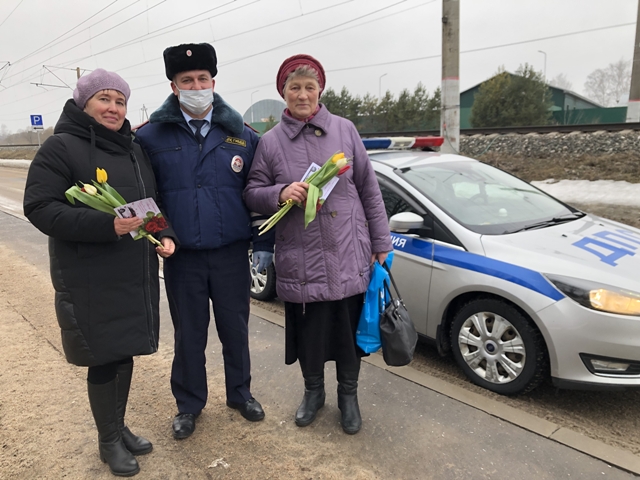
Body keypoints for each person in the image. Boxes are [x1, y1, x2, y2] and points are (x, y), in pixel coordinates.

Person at [23, 69, 176, 477]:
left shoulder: (132, 148)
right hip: (89, 274)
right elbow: (39, 207)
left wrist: (165, 236)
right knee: (104, 359)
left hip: (134, 271)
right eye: (104, 99)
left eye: (120, 101)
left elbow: (148, 203)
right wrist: (104, 226)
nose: (113, 108)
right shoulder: (60, 147)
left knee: (124, 351)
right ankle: (107, 440)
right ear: (84, 103)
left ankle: (118, 426)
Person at [243, 54, 393, 435]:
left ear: (320, 90)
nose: (303, 94)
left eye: (310, 87)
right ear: (283, 93)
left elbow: (369, 191)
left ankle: (348, 397)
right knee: (310, 335)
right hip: (301, 255)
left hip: (347, 250)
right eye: (294, 87)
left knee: (347, 335)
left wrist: (381, 242)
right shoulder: (271, 142)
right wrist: (280, 192)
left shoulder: (345, 130)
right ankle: (313, 393)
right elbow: (252, 192)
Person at [135, 43, 274, 440]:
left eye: (202, 79)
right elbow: (148, 195)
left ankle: (240, 393)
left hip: (231, 253)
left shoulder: (243, 136)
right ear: (174, 87)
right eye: (186, 80)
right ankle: (188, 404)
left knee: (236, 329)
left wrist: (264, 243)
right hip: (182, 257)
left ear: (213, 82)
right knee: (189, 335)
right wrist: (160, 233)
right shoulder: (149, 137)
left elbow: (258, 193)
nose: (196, 85)